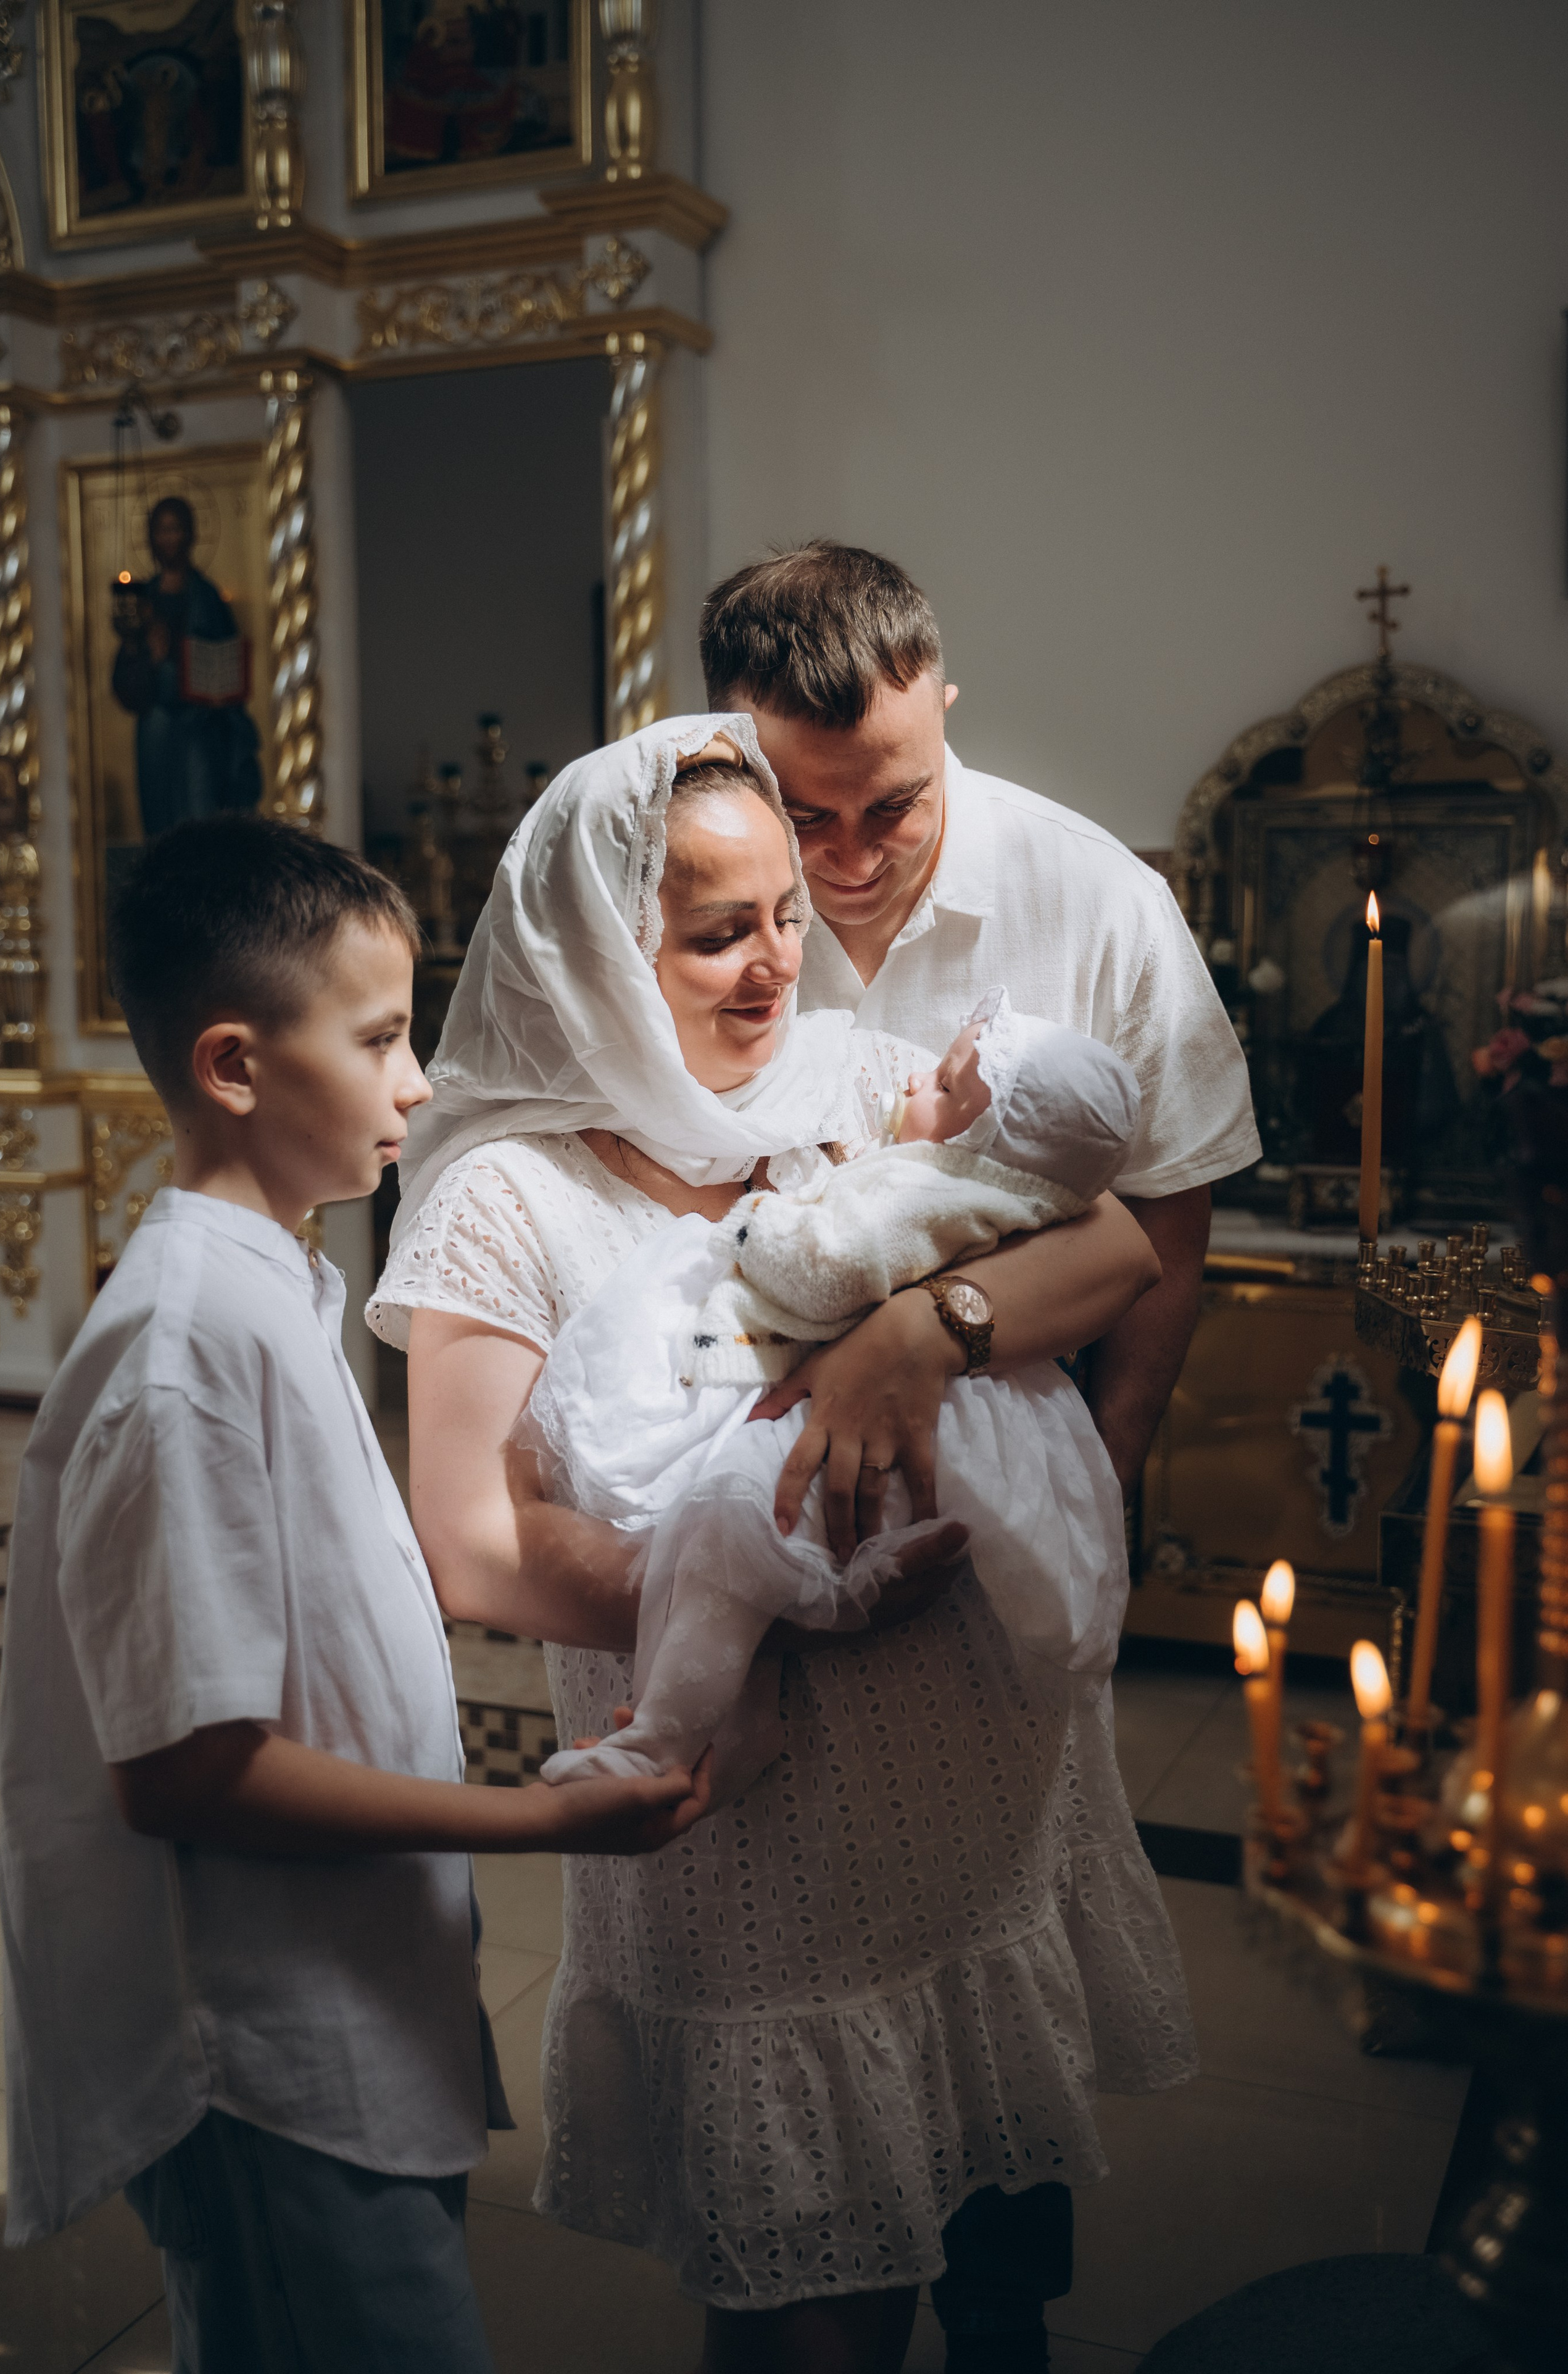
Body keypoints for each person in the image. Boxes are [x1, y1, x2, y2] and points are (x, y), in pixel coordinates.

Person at [373, 718, 1195, 2374]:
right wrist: (759, 1598)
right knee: (811, 2289)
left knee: (984, 2215)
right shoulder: (502, 1195)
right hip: (758, 1831)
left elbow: (1108, 1245)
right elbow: (467, 1541)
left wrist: (928, 1333)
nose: (770, 965)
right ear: (600, 946)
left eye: (781, 918)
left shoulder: (860, 1081)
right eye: (711, 931)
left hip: (968, 1774)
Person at [0, 816, 709, 2374]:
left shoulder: (272, 1288)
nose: (419, 1080)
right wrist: (545, 1822)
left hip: (341, 2008)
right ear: (237, 1065)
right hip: (262, 2052)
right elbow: (190, 1766)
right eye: (382, 1037)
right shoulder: (186, 1348)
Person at [700, 544, 1261, 2367]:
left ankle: (1003, 2315)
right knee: (797, 2003)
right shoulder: (697, 879)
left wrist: (1081, 1484)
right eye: (807, 815)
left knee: (997, 1960)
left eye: (890, 808)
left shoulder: (1092, 898)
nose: (847, 861)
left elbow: (1163, 1238)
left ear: (945, 693)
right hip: (777, 1509)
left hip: (1010, 1501)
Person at [533, 953, 1140, 1791]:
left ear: (980, 1131)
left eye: (948, 1085)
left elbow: (830, 1269)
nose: (920, 1075)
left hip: (882, 1412)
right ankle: (738, 1720)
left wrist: (750, 1226)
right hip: (945, 1421)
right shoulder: (1021, 1191)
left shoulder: (933, 1182)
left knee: (724, 1525)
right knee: (748, 1565)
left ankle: (661, 1739)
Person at [112, 496, 262, 836]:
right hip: (157, 727)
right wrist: (142, 650)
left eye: (175, 528)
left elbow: (225, 662)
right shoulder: (142, 599)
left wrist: (182, 657)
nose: (169, 538)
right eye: (162, 530)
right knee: (161, 822)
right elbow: (127, 680)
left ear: (189, 535)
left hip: (201, 726)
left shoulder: (208, 598)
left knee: (200, 819)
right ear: (152, 537)